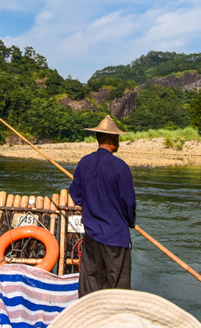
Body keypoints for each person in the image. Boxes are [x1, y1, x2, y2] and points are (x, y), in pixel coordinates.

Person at [68, 115, 135, 298]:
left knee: (91, 282)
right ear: (112, 140)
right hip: (115, 237)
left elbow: (75, 195)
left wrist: (91, 204)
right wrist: (130, 222)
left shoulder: (84, 163)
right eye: (117, 138)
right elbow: (128, 204)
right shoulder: (121, 168)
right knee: (117, 287)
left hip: (92, 236)